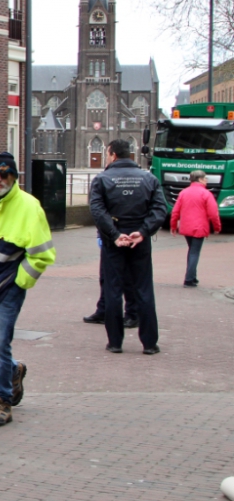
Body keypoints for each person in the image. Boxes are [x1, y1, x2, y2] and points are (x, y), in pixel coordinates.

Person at [0, 152, 55, 427]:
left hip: (9, 287)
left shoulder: (30, 207)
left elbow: (42, 254)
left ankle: (1, 403)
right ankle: (14, 372)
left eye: (5, 174)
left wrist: (19, 281)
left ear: (14, 177)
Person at [89, 139, 168, 355]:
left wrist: (114, 234)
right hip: (138, 239)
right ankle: (149, 343)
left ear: (113, 154)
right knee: (143, 289)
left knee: (113, 290)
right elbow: (160, 209)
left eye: (107, 154)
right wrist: (143, 232)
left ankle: (115, 342)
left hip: (113, 240)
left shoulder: (102, 179)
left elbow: (97, 211)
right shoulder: (148, 179)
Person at [170, 170, 221, 287]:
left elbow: (176, 211)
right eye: (205, 178)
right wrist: (217, 227)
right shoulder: (206, 194)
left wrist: (173, 226)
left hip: (186, 226)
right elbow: (213, 213)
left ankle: (193, 276)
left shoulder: (184, 192)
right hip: (199, 227)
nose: (206, 180)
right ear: (200, 179)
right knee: (194, 252)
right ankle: (189, 279)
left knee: (192, 250)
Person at [84, 236, 139, 328]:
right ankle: (104, 310)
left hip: (127, 236)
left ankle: (133, 314)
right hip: (109, 238)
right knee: (106, 276)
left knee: (128, 278)